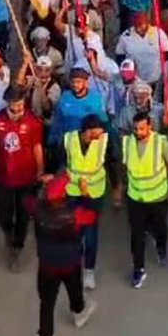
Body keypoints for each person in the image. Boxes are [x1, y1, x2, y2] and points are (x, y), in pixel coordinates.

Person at [120, 109, 168, 288]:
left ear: (149, 127)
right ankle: (138, 269)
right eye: (136, 129)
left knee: (160, 229)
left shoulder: (160, 142)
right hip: (136, 198)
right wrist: (119, 189)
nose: (138, 133)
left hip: (158, 197)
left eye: (142, 129)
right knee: (136, 236)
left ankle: (161, 248)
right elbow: (125, 169)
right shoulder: (127, 143)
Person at [31, 172, 97, 336]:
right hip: (70, 264)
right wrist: (85, 194)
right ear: (63, 196)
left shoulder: (38, 211)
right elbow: (92, 215)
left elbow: (26, 198)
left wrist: (41, 183)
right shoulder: (74, 215)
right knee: (75, 293)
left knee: (47, 303)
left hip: (46, 266)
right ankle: (79, 314)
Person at [0, 84, 44, 269]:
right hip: (4, 178)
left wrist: (40, 170)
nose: (18, 109)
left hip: (27, 178)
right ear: (7, 103)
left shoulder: (33, 121)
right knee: (3, 215)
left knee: (24, 216)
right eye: (14, 106)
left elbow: (37, 147)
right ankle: (8, 236)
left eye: (20, 105)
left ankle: (16, 248)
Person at [62, 113, 117, 289]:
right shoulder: (69, 139)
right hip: (73, 193)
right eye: (98, 131)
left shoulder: (103, 142)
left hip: (94, 194)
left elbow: (110, 164)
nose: (101, 134)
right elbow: (61, 163)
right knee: (74, 232)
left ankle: (89, 271)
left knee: (91, 234)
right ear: (88, 131)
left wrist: (116, 187)